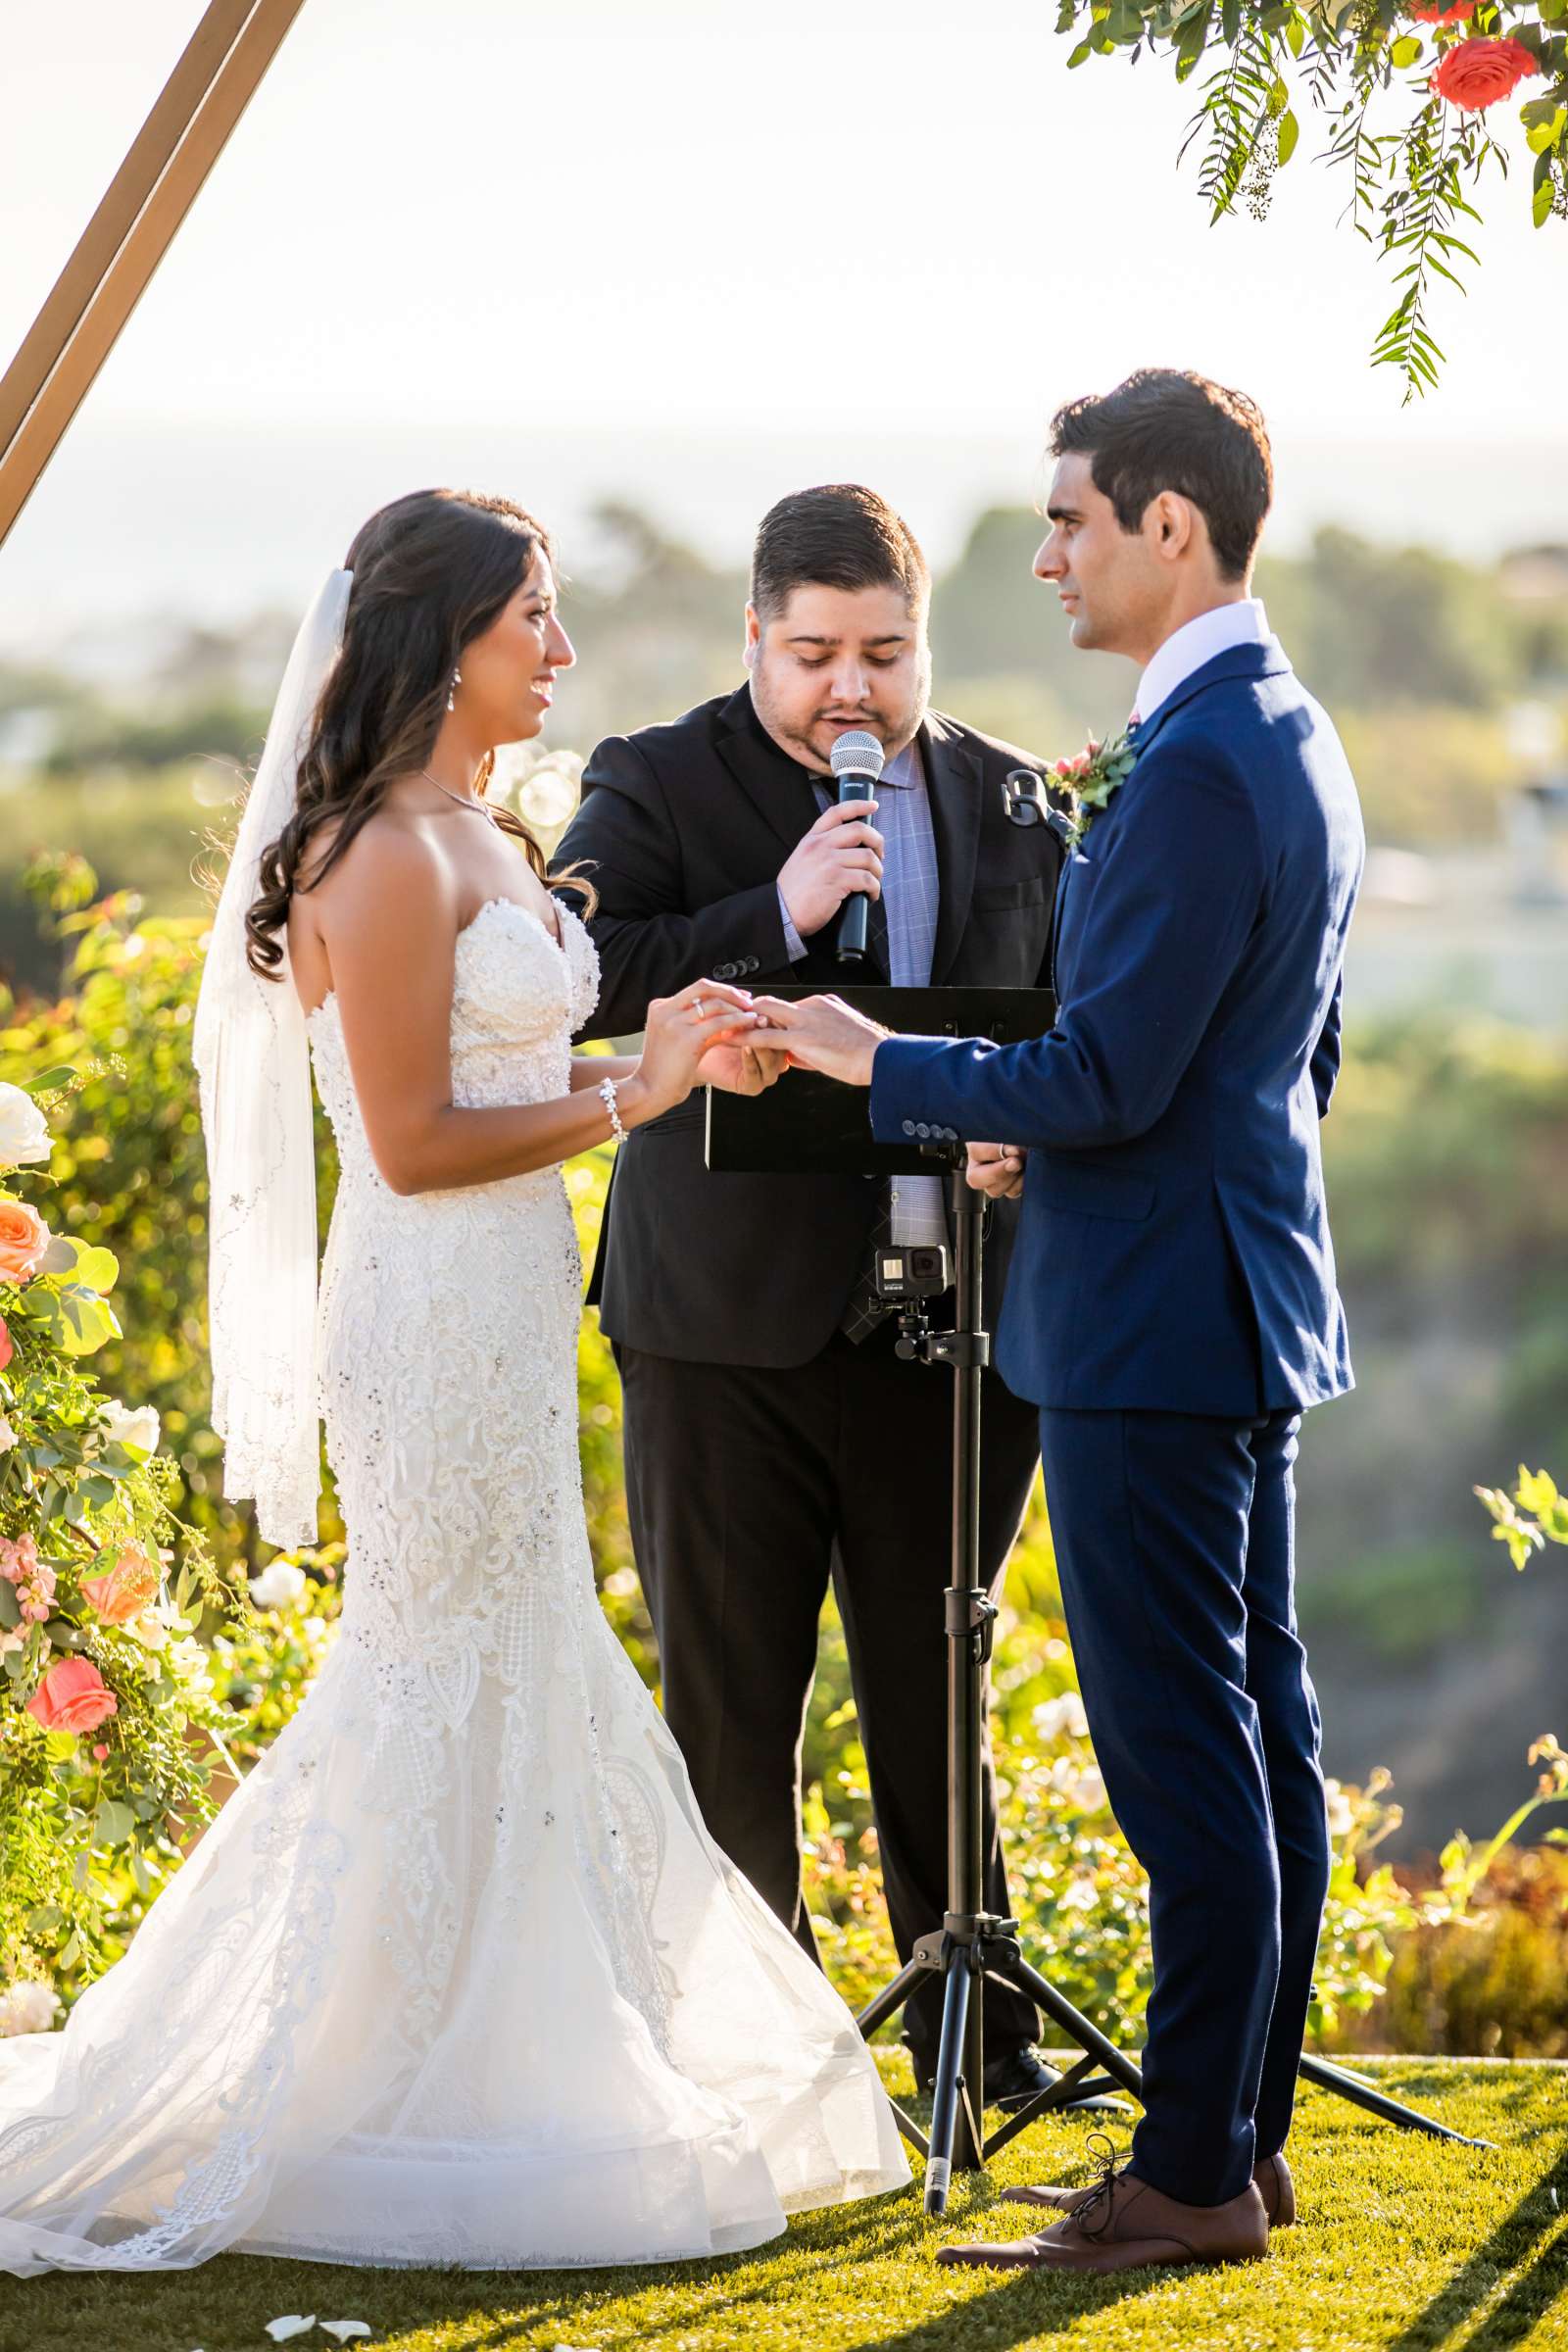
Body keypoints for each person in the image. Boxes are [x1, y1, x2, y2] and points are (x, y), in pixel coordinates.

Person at [0, 489, 908, 2278]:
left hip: (504, 1311)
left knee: (518, 1647)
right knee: (435, 1661)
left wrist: (651, 1040)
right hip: (424, 1316)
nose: (562, 651)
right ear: (442, 643)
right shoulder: (380, 856)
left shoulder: (480, 831)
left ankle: (456, 2045)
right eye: (535, 622)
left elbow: (500, 1055)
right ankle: (359, 2067)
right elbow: (412, 1142)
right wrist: (635, 1103)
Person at [756, 373, 1365, 2275]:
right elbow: (1276, 1049)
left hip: (1151, 1324)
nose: (1043, 556)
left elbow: (1102, 1068)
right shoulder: (1277, 730)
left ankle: (1184, 2171)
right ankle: (1232, 2142)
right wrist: (1083, 1130)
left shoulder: (1192, 761)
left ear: (1167, 525)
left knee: (1184, 1749)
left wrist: (883, 1062)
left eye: (1071, 521)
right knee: (1254, 1729)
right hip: (1224, 1284)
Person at [555, 483, 1082, 2110]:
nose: (849, 687)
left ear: (924, 640)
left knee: (940, 1683)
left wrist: (1023, 1141)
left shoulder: (1014, 800)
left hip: (961, 1328)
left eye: (884, 652)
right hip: (720, 1332)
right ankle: (750, 2076)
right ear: (756, 639)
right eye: (814, 654)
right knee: (732, 1708)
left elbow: (1073, 1022)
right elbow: (574, 985)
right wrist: (769, 918)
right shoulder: (649, 778)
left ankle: (975, 2053)